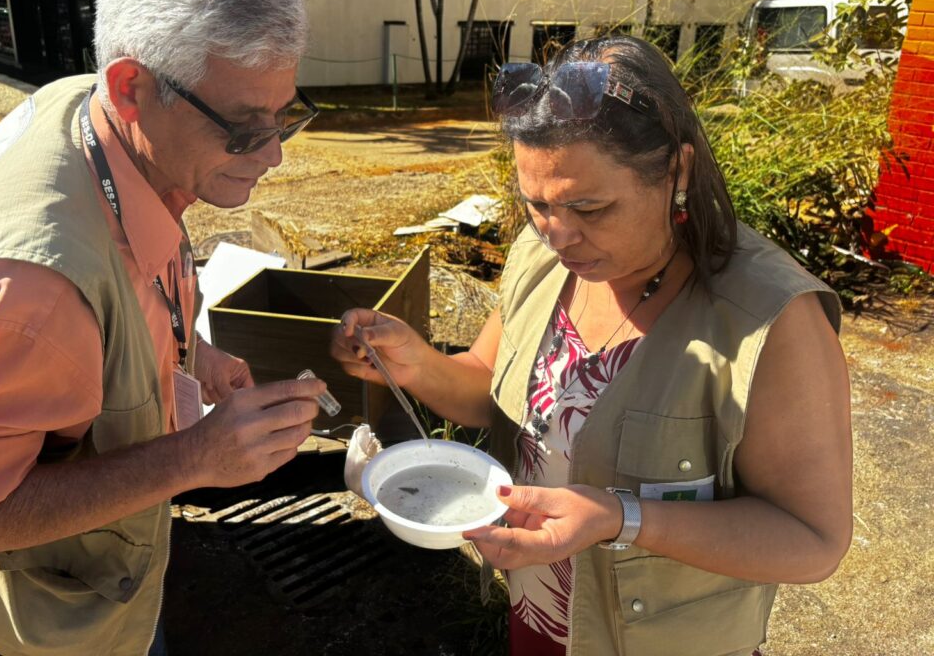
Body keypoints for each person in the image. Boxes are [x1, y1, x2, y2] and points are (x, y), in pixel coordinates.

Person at [332, 35, 852, 656]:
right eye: (536, 205)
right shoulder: (540, 260)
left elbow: (812, 539)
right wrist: (415, 364)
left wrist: (619, 518)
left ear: (677, 171)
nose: (558, 236)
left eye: (591, 207)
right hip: (540, 617)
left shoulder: (768, 321)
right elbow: (486, 384)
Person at [0, 0, 325, 655]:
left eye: (286, 115)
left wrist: (191, 353)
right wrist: (193, 459)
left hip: (102, 578)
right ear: (133, 87)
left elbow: (131, 271)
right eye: (244, 129)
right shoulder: (26, 290)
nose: (275, 155)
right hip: (32, 625)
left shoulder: (89, 109)